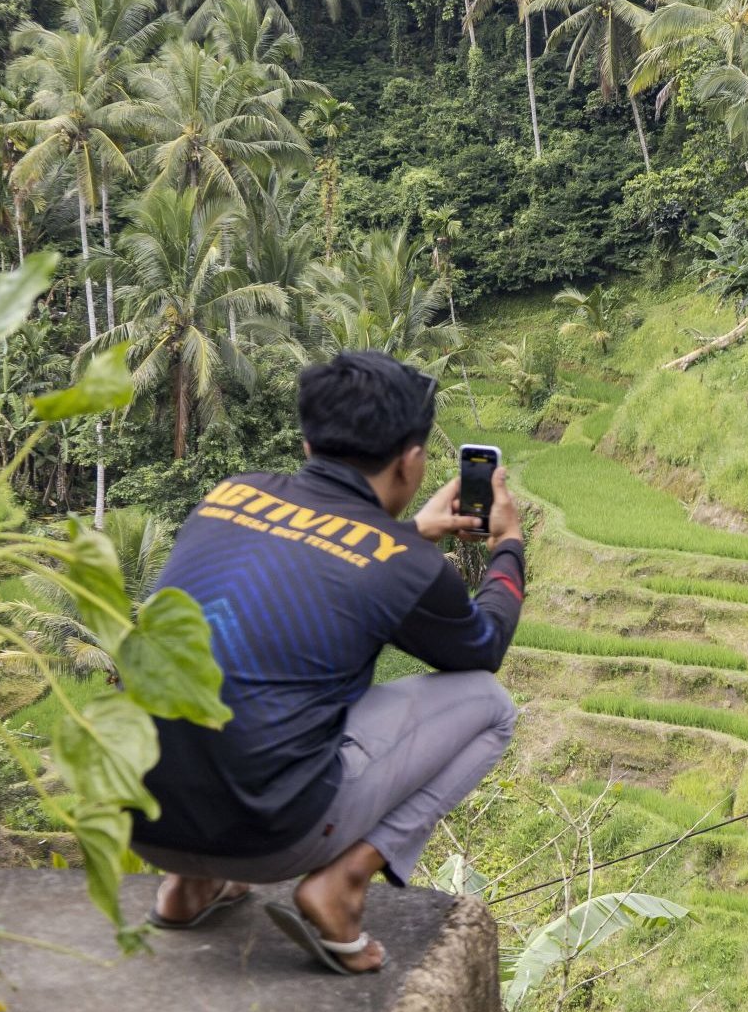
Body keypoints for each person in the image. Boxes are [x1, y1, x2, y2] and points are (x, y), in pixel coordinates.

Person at [130, 350, 526, 975]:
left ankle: (188, 885)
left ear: (310, 441)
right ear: (411, 459)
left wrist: (409, 533)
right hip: (271, 840)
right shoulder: (402, 563)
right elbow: (485, 645)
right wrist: (508, 543)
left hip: (142, 820)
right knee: (491, 707)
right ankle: (342, 882)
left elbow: (315, 552)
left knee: (232, 668)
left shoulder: (229, 495)